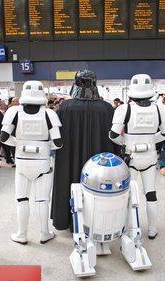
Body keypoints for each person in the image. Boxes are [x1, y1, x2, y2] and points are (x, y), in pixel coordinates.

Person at [51, 70, 120, 231]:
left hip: (70, 158)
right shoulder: (107, 109)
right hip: (101, 162)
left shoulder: (66, 107)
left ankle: (67, 219)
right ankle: (99, 222)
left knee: (68, 181)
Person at [110, 74, 165, 239]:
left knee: (129, 194)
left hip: (131, 156)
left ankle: (130, 228)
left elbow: (113, 135)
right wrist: (151, 141)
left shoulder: (124, 109)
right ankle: (152, 229)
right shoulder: (161, 108)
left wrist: (126, 142)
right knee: (151, 193)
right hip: (150, 157)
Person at [1, 80, 62, 245]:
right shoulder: (49, 114)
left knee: (21, 199)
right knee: (42, 200)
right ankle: (44, 233)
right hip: (42, 162)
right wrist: (42, 146)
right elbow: (58, 143)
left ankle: (22, 234)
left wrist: (20, 144)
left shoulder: (13, 112)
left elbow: (3, 137)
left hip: (21, 162)